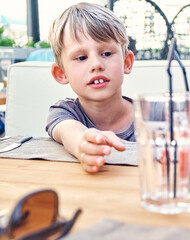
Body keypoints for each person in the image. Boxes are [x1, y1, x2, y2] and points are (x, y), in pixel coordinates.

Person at [46, 2, 135, 173]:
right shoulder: (63, 112)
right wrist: (82, 143)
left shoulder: (154, 113)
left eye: (107, 53)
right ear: (61, 73)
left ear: (126, 62)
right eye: (81, 57)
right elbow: (68, 131)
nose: (96, 64)